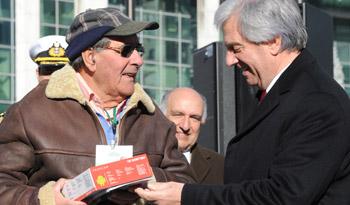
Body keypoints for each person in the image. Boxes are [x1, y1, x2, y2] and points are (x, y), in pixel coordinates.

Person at [135, 0, 350, 204]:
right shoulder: (282, 94)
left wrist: (187, 196)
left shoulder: (318, 102)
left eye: (236, 48)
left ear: (274, 42)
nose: (229, 61)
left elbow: (284, 196)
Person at [0, 7, 194, 205]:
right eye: (126, 51)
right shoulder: (30, 112)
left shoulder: (152, 116)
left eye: (139, 50)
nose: (138, 60)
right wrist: (47, 200)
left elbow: (186, 183)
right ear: (90, 58)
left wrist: (146, 179)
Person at [160, 87, 224, 184]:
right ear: (162, 116)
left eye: (194, 118)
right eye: (178, 115)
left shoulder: (220, 166)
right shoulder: (140, 158)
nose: (185, 126)